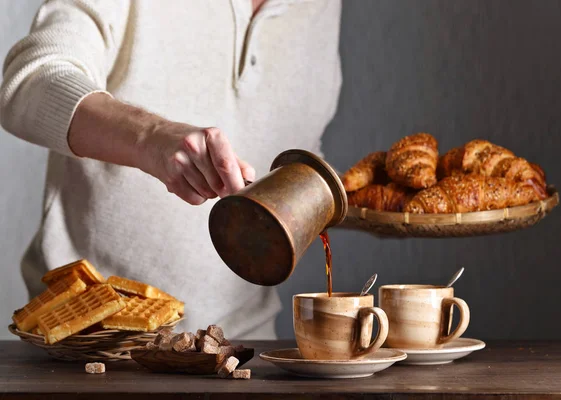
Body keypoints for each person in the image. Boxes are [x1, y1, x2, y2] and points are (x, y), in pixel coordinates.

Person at [0, 0, 342, 338]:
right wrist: (150, 138)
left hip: (241, 346)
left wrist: (359, 206)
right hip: (92, 343)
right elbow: (30, 80)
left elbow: (299, 145)